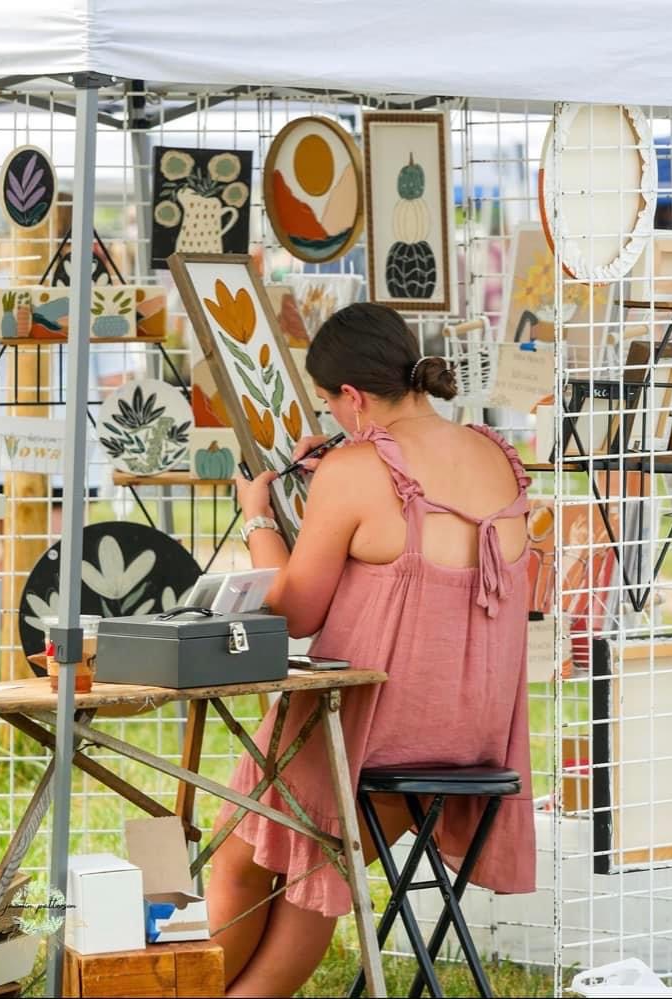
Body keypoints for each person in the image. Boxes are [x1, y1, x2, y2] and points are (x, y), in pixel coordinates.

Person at [207, 302, 535, 997]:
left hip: (369, 730)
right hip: (468, 739)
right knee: (309, 868)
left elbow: (295, 612)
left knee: (239, 856)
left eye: (329, 403)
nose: (331, 416)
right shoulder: (496, 456)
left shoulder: (354, 469)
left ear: (351, 396)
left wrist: (259, 516)